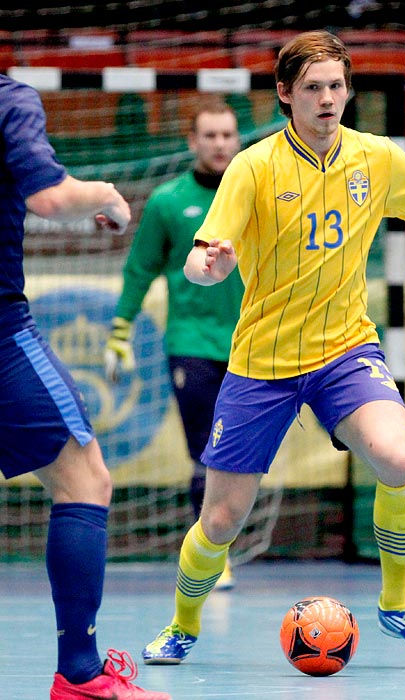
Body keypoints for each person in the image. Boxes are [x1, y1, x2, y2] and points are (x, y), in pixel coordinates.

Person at [142, 30, 405, 665]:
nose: (327, 99)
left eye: (336, 86)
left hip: (346, 352)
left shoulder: (378, 158)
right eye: (312, 88)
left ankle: (397, 604)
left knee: (396, 458)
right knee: (222, 519)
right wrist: (214, 264)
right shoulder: (253, 167)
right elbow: (201, 263)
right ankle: (183, 623)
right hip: (264, 363)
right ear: (285, 94)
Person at [0, 75, 172, 699]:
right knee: (84, 478)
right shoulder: (8, 99)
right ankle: (80, 674)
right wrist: (105, 193)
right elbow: (49, 198)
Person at [103, 97, 244, 589]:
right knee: (206, 453)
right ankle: (211, 555)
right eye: (210, 135)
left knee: (241, 455)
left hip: (257, 344)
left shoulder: (259, 192)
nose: (221, 144)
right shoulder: (168, 202)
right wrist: (120, 331)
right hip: (193, 343)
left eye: (228, 134)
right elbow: (140, 269)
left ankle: (219, 539)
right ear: (192, 141)